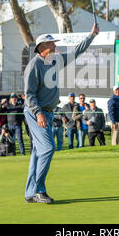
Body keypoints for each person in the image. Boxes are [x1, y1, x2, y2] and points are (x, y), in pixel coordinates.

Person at [23, 24, 98, 204]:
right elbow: (29, 95)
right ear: (42, 49)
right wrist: (38, 113)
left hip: (48, 114)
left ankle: (29, 193)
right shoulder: (33, 66)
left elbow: (76, 52)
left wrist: (91, 35)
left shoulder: (55, 61)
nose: (55, 47)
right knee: (48, 149)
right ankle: (39, 190)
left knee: (37, 152)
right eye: (52, 45)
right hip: (36, 114)